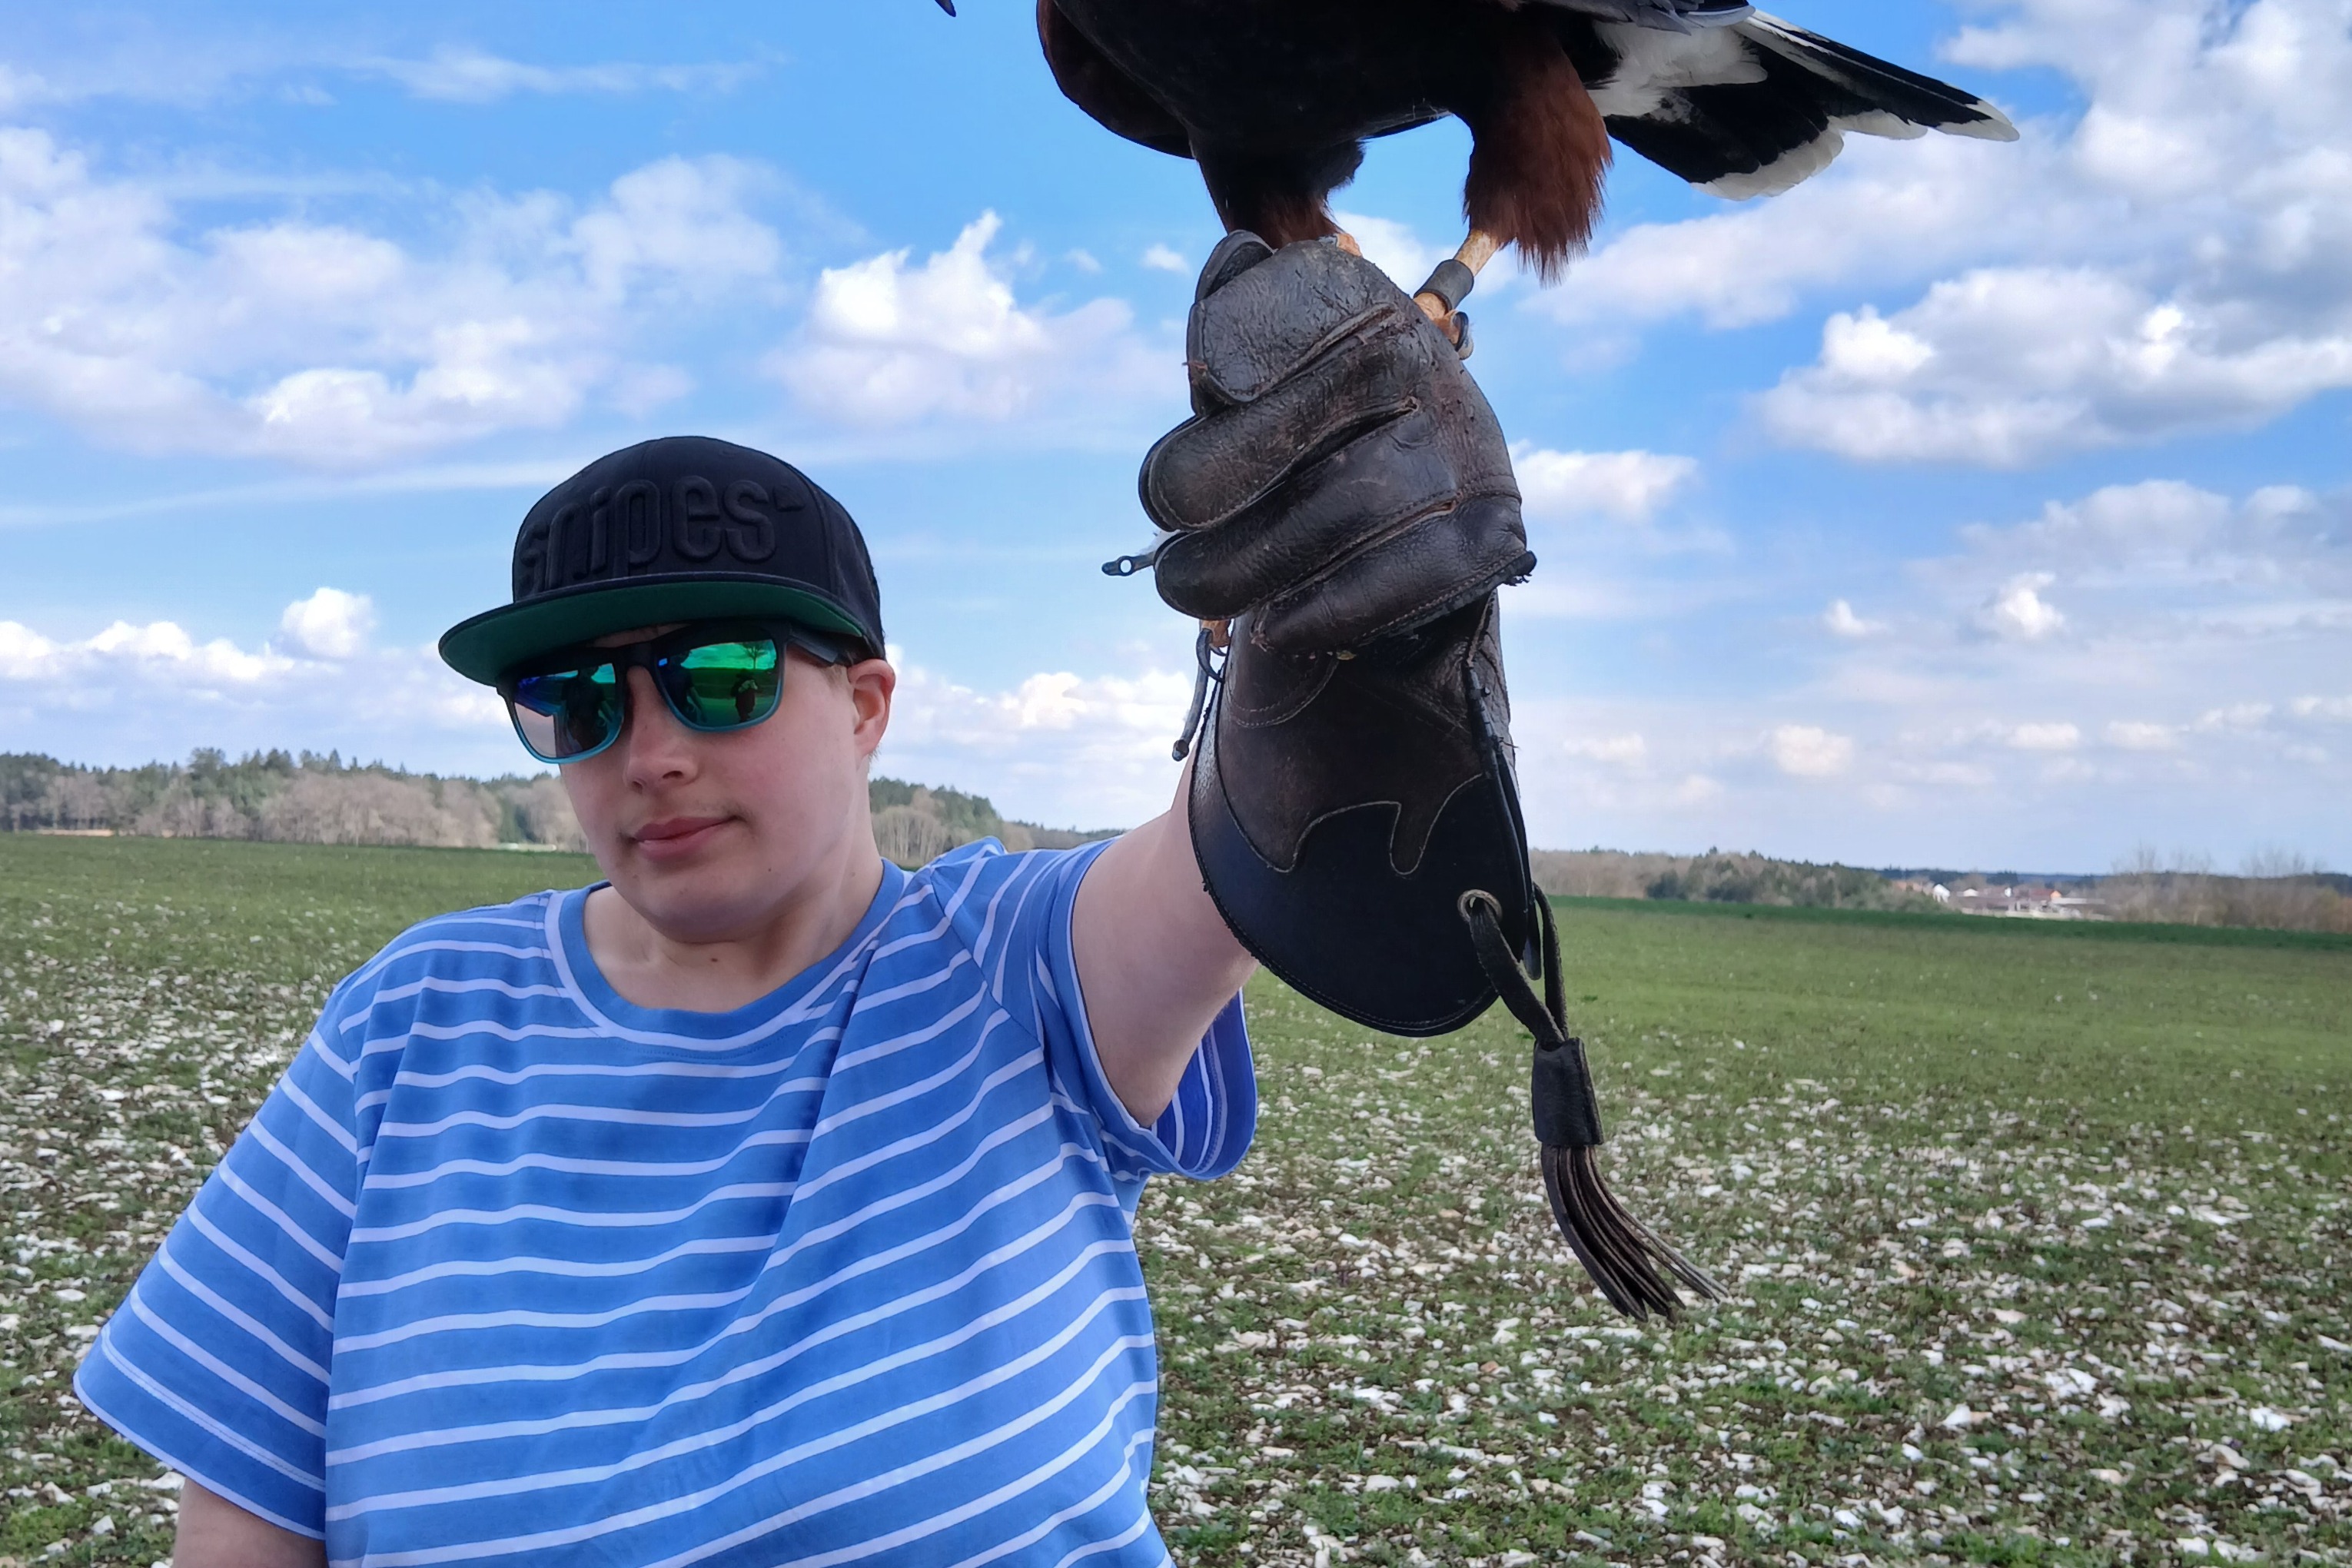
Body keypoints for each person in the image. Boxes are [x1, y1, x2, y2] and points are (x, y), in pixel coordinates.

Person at [75, 236, 1525, 1566]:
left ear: (866, 705)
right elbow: (250, 1511)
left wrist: (1344, 635)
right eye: (575, 701)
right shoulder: (411, 1023)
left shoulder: (1005, 969)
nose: (650, 751)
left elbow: (1244, 843)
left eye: (722, 677)